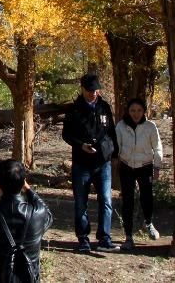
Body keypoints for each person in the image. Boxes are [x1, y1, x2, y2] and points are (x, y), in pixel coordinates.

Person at [61, 73, 120, 253]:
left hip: (103, 163)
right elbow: (66, 134)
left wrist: (114, 153)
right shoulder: (74, 109)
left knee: (106, 200)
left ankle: (104, 238)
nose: (93, 93)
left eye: (95, 90)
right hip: (81, 163)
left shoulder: (104, 107)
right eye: (89, 90)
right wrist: (81, 145)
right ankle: (83, 239)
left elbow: (111, 131)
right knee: (81, 202)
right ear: (82, 89)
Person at [0, 160, 53, 283]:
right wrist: (27, 188)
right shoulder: (38, 213)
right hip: (28, 278)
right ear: (23, 181)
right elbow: (48, 216)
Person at [115, 97, 163, 249]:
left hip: (145, 165)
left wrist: (157, 166)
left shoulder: (150, 127)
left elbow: (157, 148)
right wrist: (115, 162)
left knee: (146, 197)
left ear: (144, 112)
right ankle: (128, 236)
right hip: (127, 166)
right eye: (132, 111)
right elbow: (116, 147)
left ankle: (148, 223)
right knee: (127, 200)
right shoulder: (121, 126)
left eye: (139, 111)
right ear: (128, 112)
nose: (136, 114)